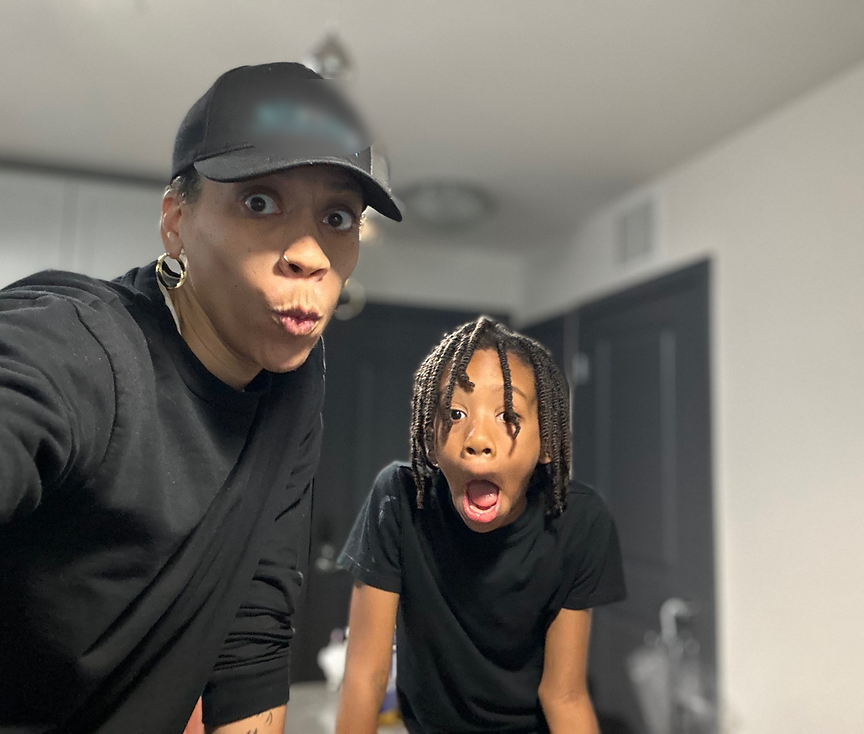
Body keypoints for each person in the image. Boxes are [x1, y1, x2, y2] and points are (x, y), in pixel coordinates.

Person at [0, 61, 401, 734]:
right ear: (176, 220)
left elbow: (252, 632)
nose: (310, 253)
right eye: (259, 202)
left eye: (337, 216)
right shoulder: (82, 349)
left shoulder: (294, 379)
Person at [336, 317, 627, 733]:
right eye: (455, 413)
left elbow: (563, 693)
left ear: (546, 443)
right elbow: (365, 676)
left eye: (507, 414)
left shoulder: (578, 521)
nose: (477, 438)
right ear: (430, 435)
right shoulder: (399, 500)